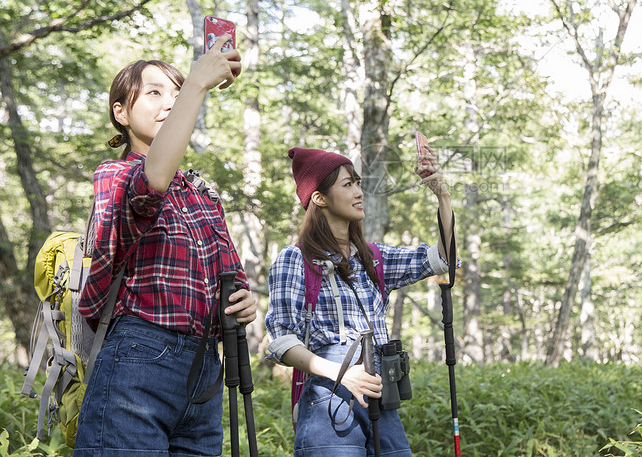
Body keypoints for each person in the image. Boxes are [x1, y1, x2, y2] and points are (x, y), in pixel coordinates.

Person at [74, 33, 258, 457]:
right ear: (120, 113)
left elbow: (231, 274)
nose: (169, 101)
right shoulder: (115, 174)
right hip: (139, 358)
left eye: (175, 91)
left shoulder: (202, 194)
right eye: (153, 93)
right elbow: (152, 182)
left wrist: (242, 302)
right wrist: (195, 84)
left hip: (204, 370)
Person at [266, 145, 456, 457]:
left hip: (382, 397)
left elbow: (444, 258)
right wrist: (342, 373)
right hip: (329, 400)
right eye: (348, 184)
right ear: (319, 198)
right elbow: (282, 342)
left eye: (358, 184)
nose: (359, 192)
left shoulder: (374, 258)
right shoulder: (295, 259)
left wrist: (442, 196)